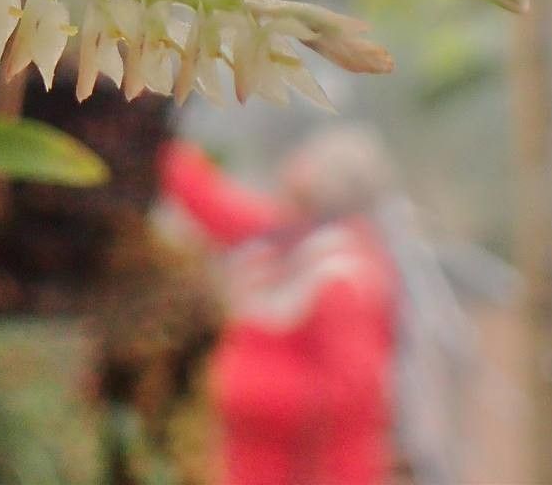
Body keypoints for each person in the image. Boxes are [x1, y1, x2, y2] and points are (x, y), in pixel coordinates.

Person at [158, 128, 399, 485]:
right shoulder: (291, 236)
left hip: (312, 469)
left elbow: (352, 393)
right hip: (255, 459)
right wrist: (155, 136)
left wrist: (248, 391)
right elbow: (217, 206)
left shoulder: (343, 278)